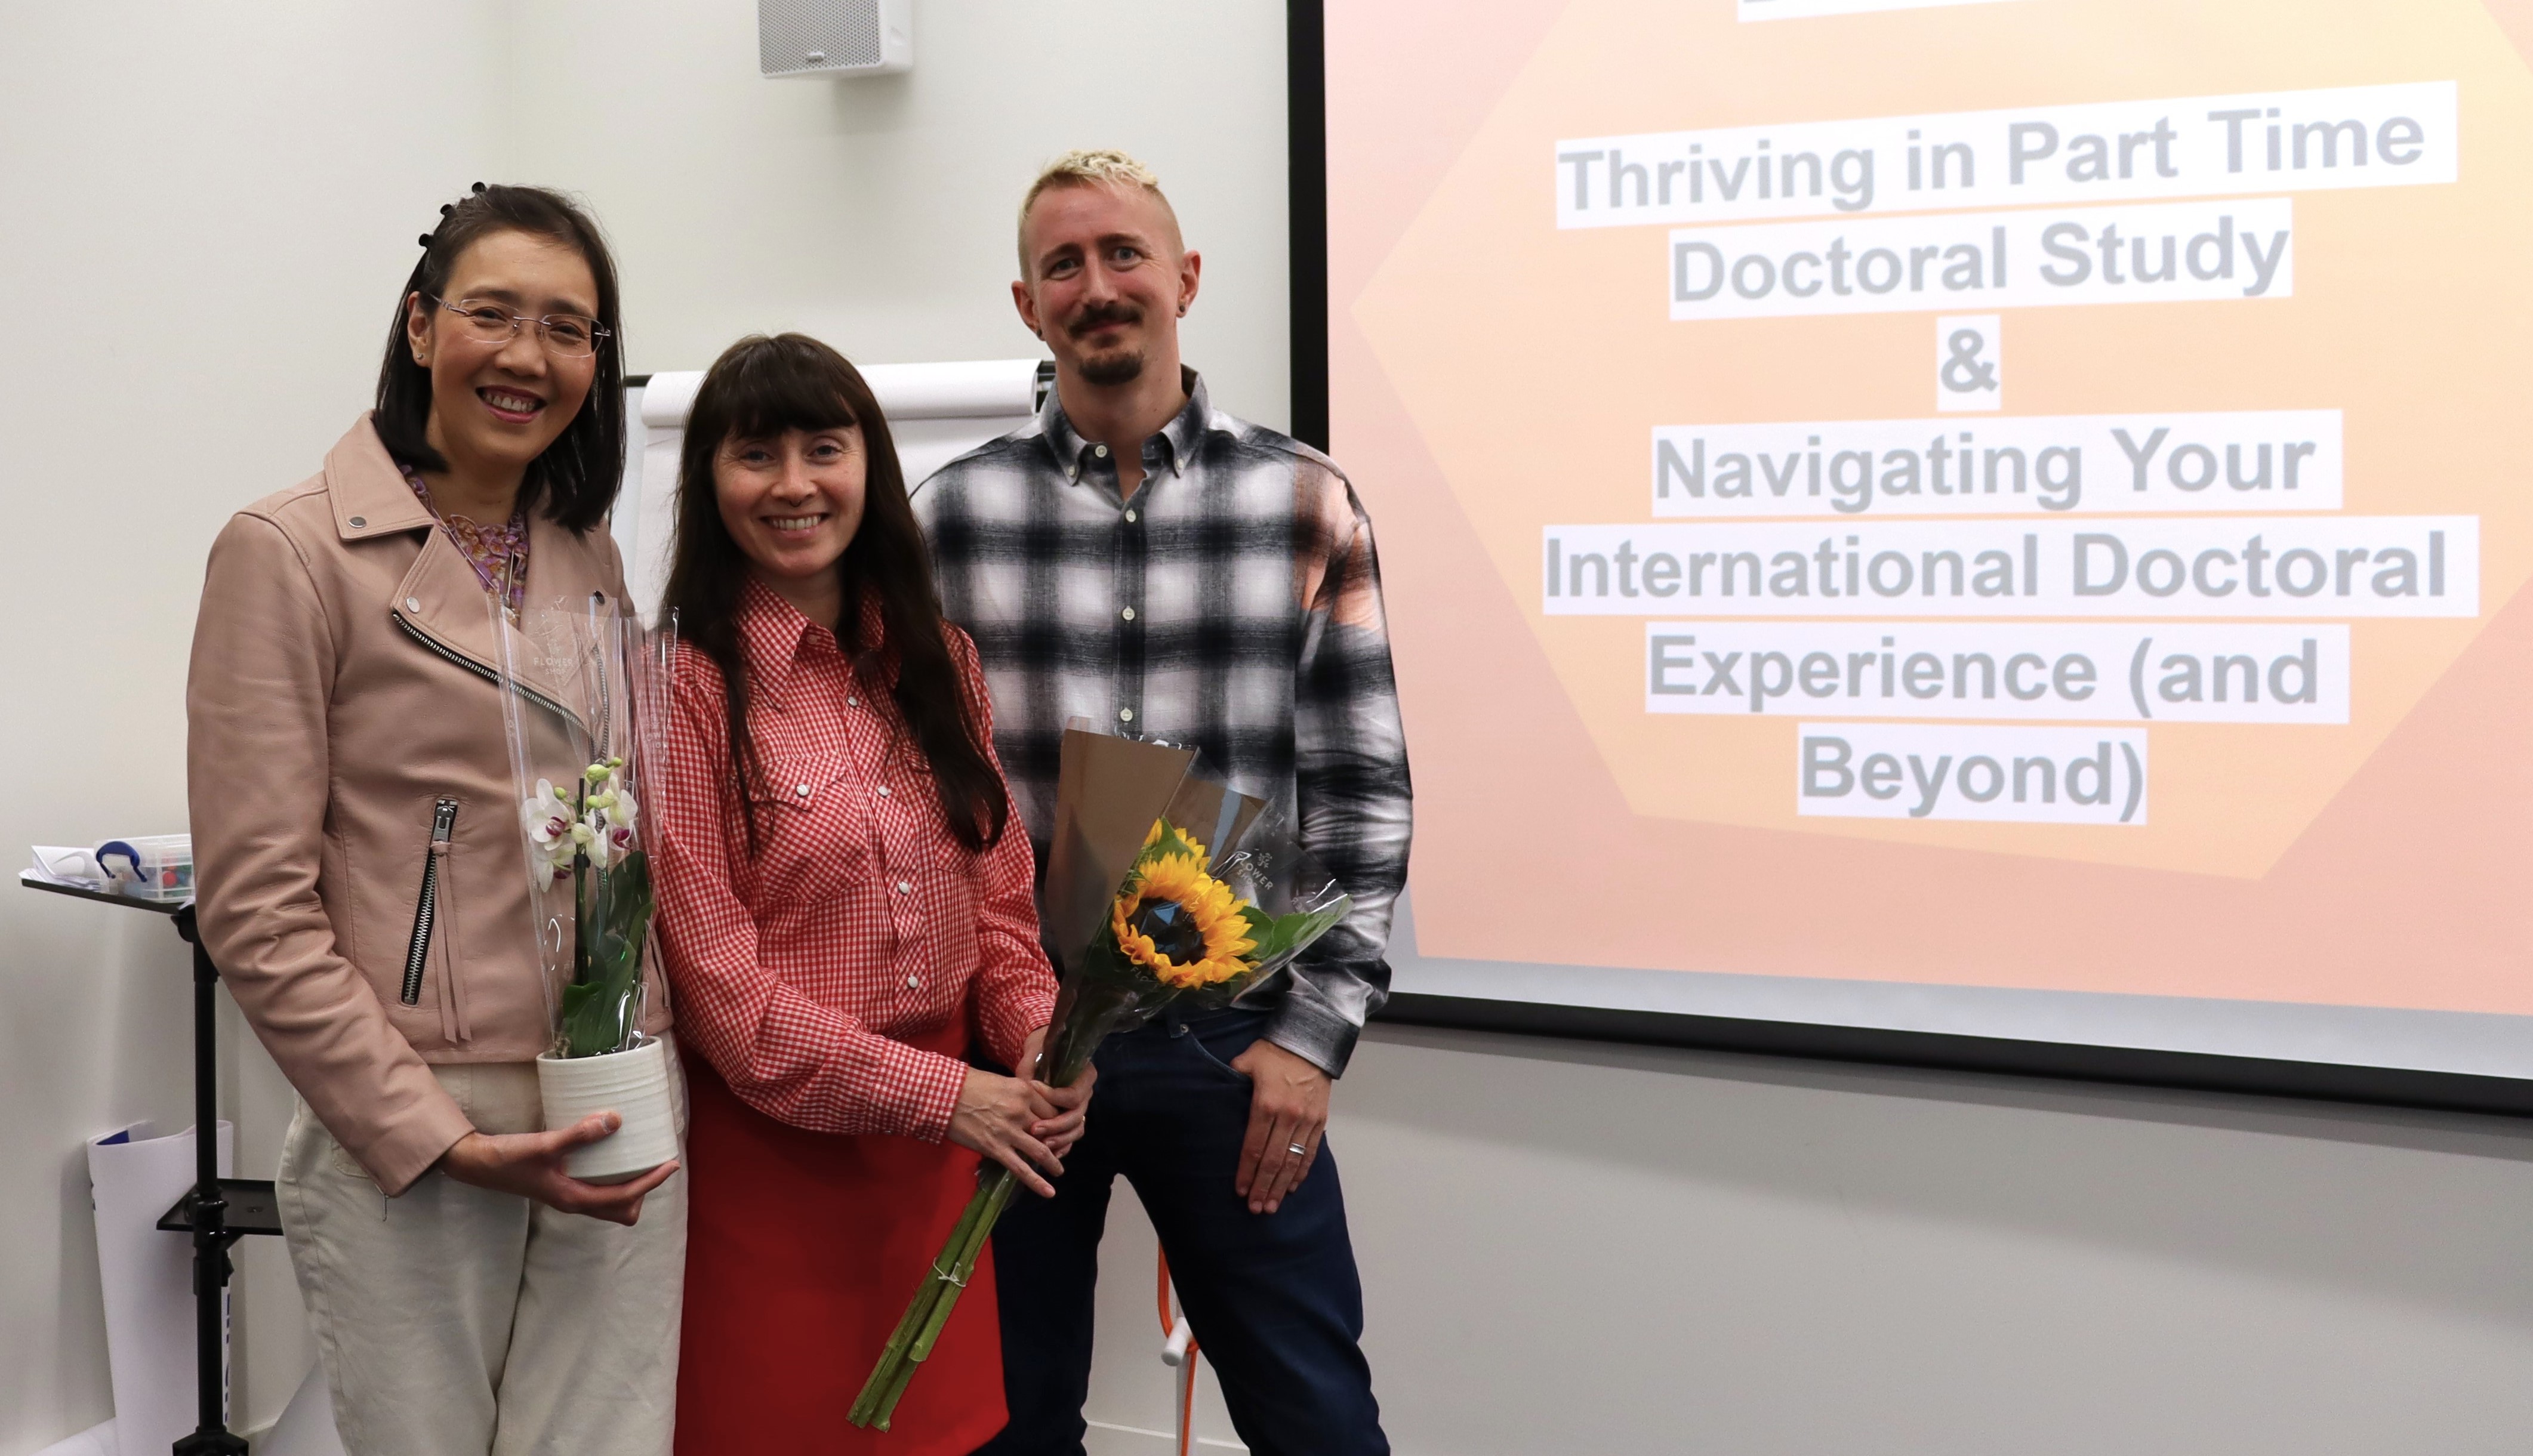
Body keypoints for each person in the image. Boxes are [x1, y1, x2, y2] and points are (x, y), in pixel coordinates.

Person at [913, 150, 1412, 1456]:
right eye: (1063, 265)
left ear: (1185, 279)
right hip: (1017, 1053)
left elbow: (1363, 796)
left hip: (1230, 1045)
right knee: (1007, 1424)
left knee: (1317, 1417)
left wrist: (1313, 1038)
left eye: (1124, 254)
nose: (1098, 286)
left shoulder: (1305, 502)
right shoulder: (949, 519)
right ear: (1027, 304)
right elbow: (901, 793)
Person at [188, 184, 685, 1455]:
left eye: (570, 329)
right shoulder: (286, 551)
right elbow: (256, 910)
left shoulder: (586, 552)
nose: (529, 356)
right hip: (417, 1104)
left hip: (612, 1081)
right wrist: (437, 1130)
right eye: (494, 313)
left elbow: (609, 824)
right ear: (420, 326)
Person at [649, 333, 1094, 1454]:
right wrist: (954, 1099)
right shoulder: (679, 686)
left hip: (938, 1170)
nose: (794, 484)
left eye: (824, 448)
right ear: (710, 484)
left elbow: (999, 910)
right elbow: (728, 1006)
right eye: (756, 455)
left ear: (871, 469)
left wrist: (1043, 1040)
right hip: (772, 1175)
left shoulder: (941, 660)